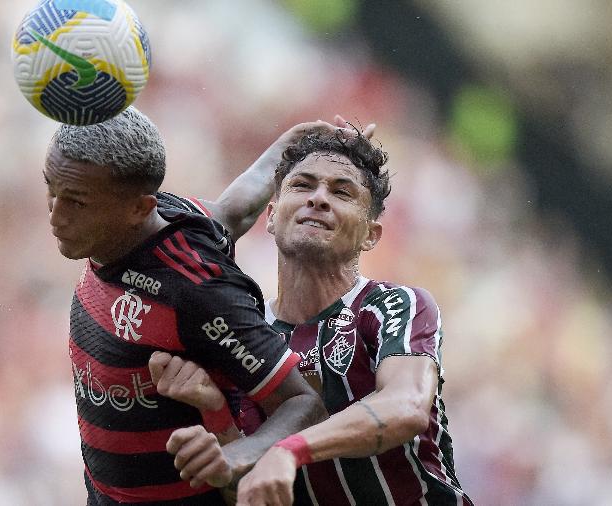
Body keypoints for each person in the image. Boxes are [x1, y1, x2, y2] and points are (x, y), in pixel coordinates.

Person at [154, 127, 474, 505]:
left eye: (341, 192)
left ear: (370, 235)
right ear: (271, 217)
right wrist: (215, 411)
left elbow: (406, 407)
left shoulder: (393, 304)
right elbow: (246, 489)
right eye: (303, 185)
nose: (318, 199)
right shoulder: (244, 334)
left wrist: (289, 449)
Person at [44, 106, 331, 505]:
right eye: (51, 190)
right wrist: (292, 143)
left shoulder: (196, 290)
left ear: (139, 209)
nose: (55, 215)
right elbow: (233, 211)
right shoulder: (161, 215)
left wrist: (236, 457)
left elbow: (306, 403)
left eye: (75, 202)